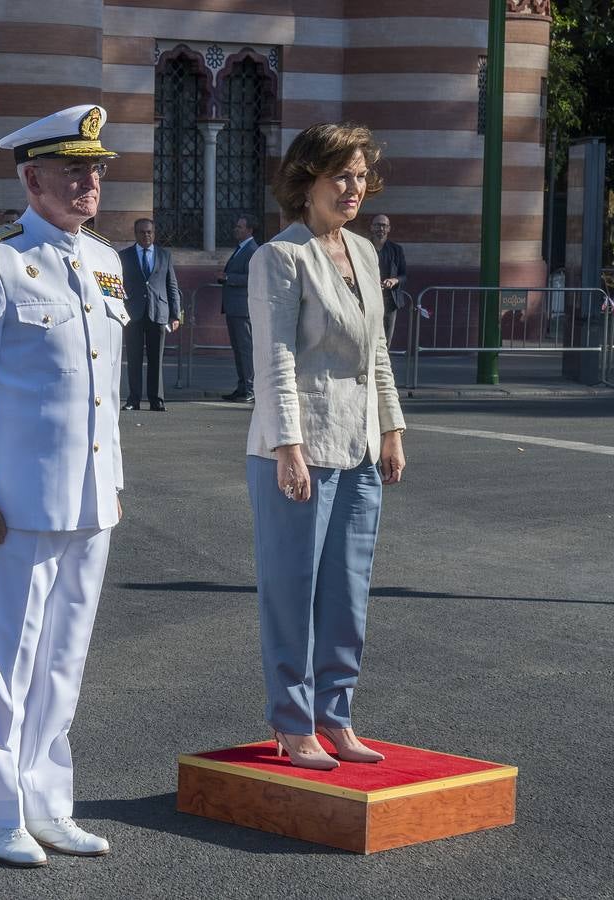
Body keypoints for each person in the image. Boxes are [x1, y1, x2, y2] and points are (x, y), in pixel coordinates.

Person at [0, 104, 126, 867]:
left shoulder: (106, 260)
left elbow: (99, 390)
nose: (88, 182)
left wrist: (109, 483)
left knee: (64, 661)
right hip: (12, 503)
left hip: (89, 496)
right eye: (73, 170)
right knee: (6, 660)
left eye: (96, 170)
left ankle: (50, 803)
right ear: (31, 177)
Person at [244, 122, 406, 772]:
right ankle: (291, 721)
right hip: (298, 450)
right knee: (293, 589)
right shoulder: (279, 257)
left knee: (347, 591)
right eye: (340, 174)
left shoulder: (364, 253)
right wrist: (287, 444)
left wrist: (391, 429)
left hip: (359, 447)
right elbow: (275, 359)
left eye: (360, 175)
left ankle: (333, 716)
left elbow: (376, 354)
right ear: (304, 179)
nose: (352, 187)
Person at [118, 217, 181, 411]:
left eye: (150, 232)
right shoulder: (124, 256)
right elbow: (118, 286)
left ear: (154, 234)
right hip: (133, 313)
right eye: (142, 232)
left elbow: (172, 285)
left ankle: (157, 400)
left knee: (156, 359)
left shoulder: (164, 255)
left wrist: (176, 314)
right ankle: (133, 399)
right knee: (134, 359)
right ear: (135, 234)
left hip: (158, 312)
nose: (146, 235)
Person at [219, 214, 258, 403]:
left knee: (245, 349)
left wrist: (229, 278)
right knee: (238, 349)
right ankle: (242, 386)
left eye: (240, 227)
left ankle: (250, 388)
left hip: (243, 309)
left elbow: (253, 277)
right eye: (236, 226)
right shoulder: (241, 248)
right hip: (234, 308)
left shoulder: (252, 250)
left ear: (249, 230)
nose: (236, 229)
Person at [370, 214, 407, 344]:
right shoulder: (363, 247)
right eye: (377, 225)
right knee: (368, 336)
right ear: (371, 228)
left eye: (384, 225)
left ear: (389, 228)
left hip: (390, 302)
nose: (381, 228)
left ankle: (382, 364)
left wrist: (393, 281)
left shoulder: (396, 250)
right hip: (368, 299)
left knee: (386, 340)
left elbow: (403, 276)